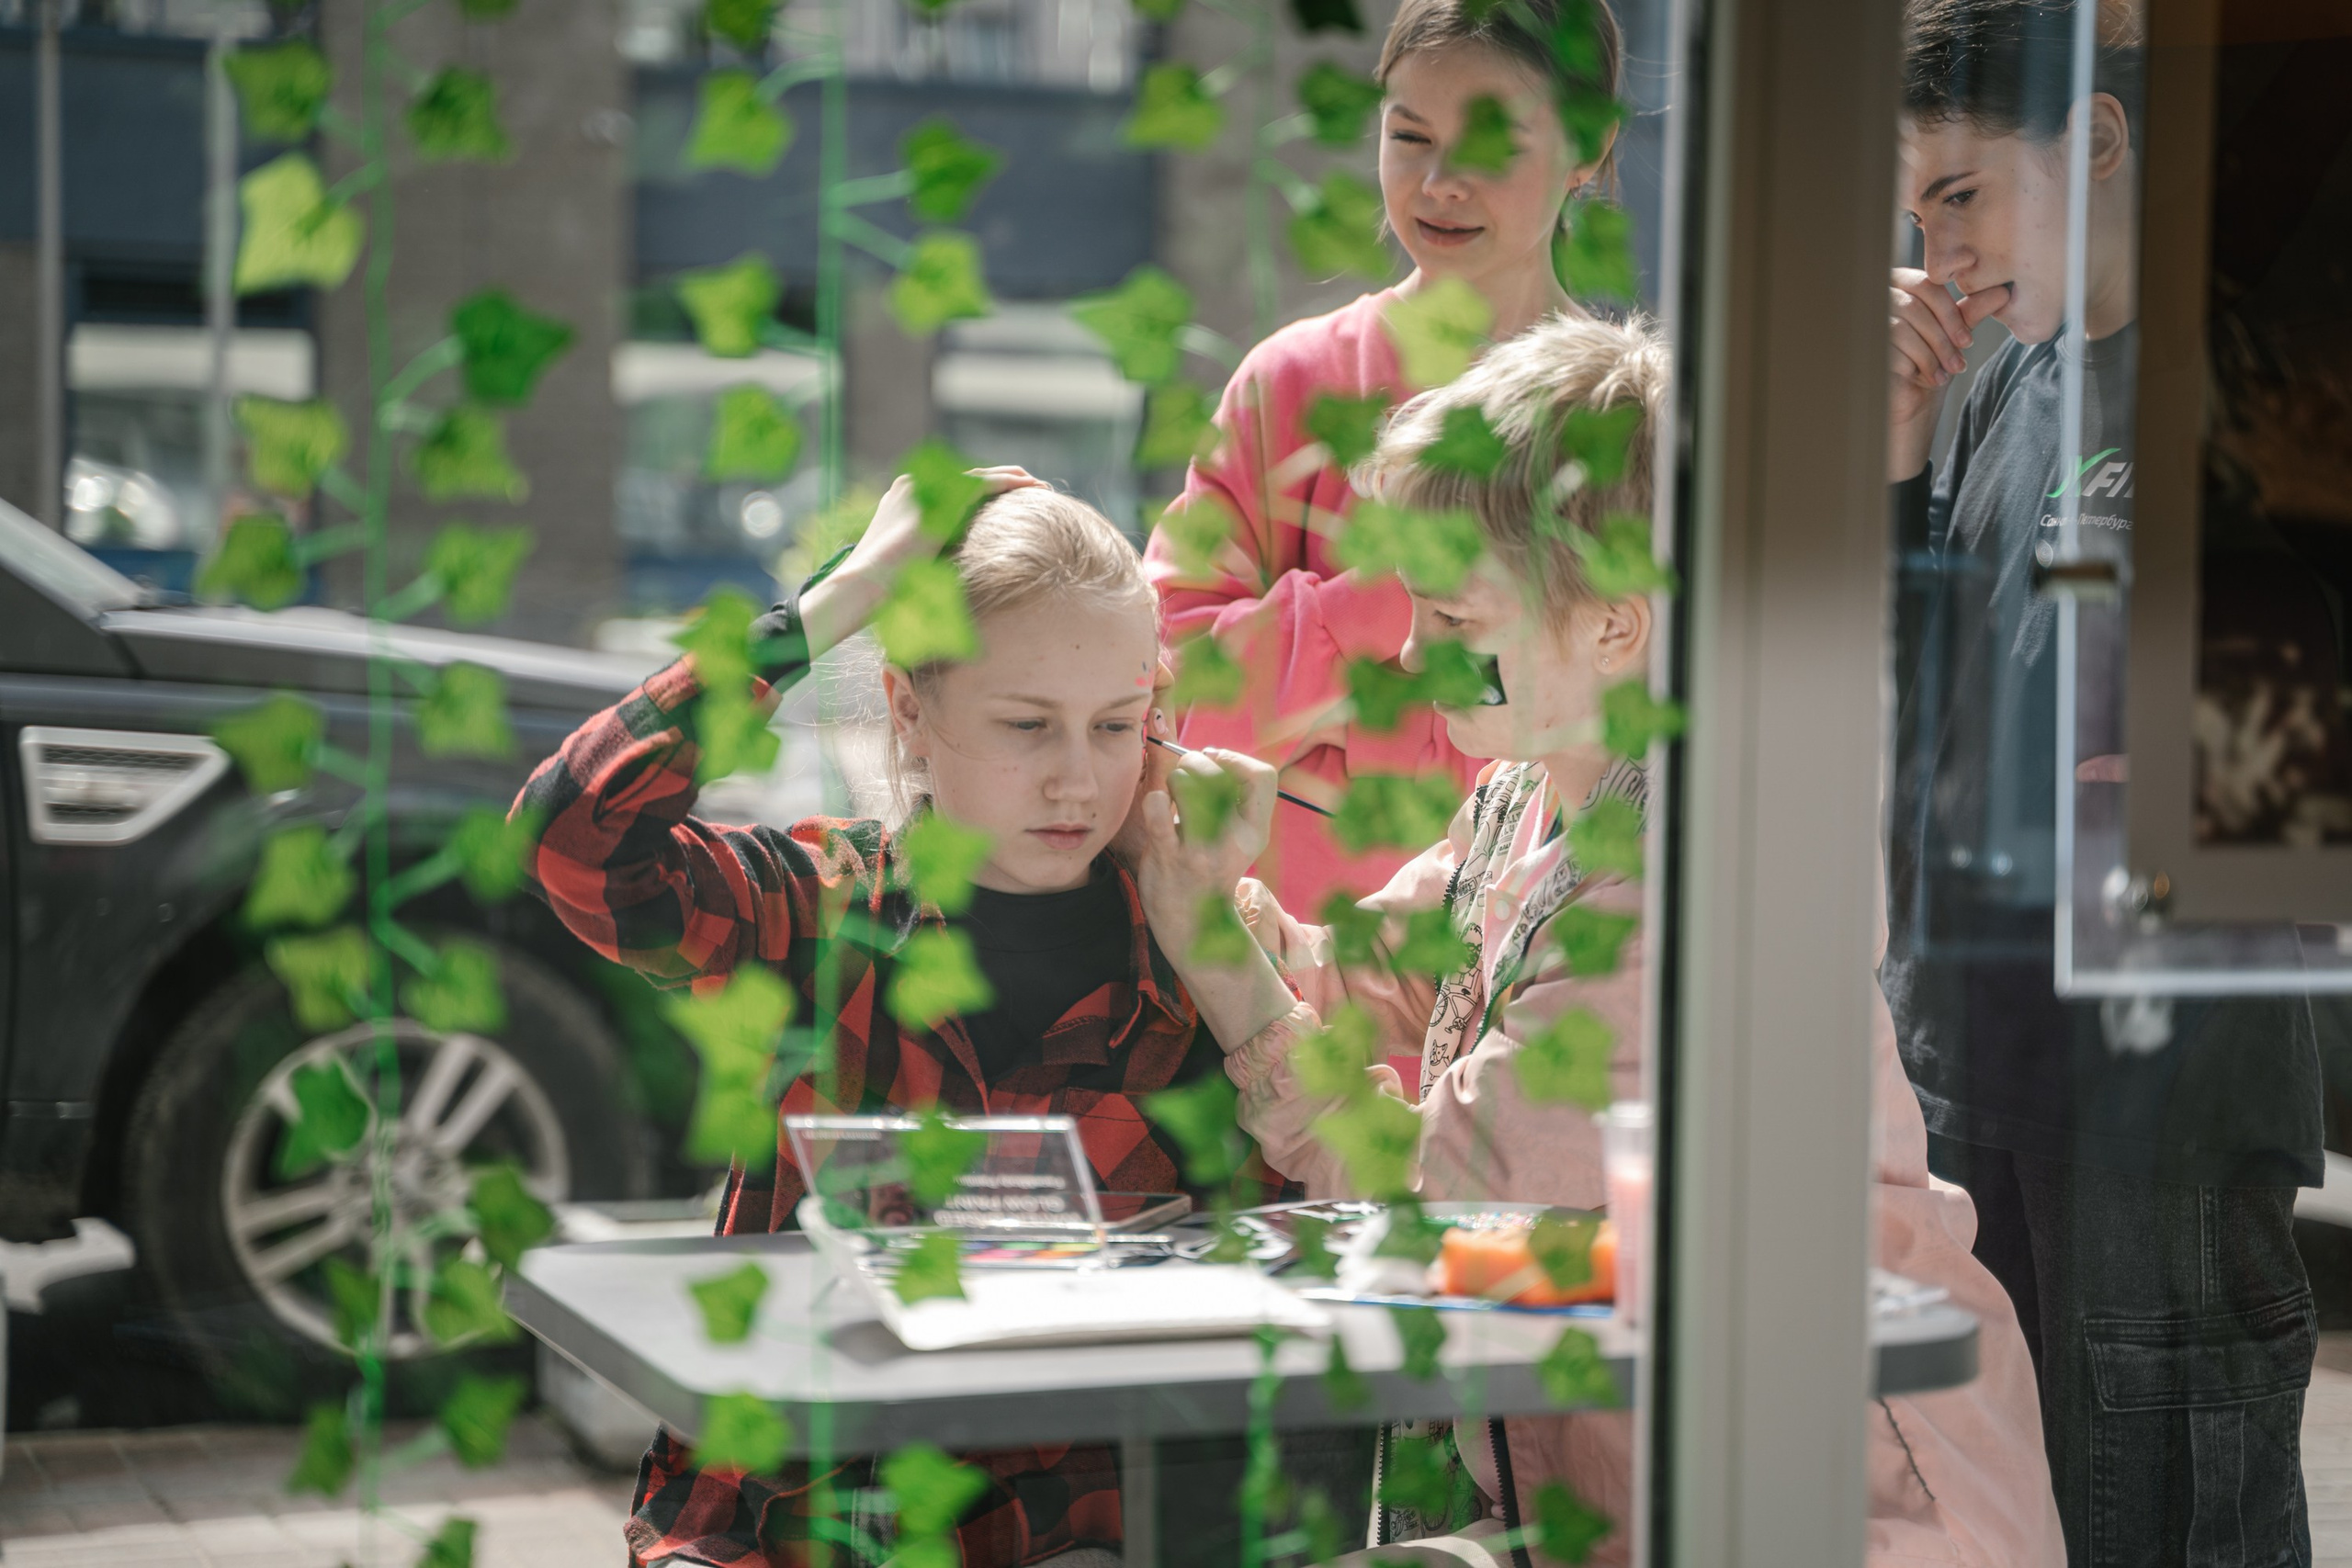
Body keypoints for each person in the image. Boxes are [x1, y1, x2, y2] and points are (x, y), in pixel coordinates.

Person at [1137, 312, 2065, 1566]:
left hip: (1838, 1502)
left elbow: (1429, 1205)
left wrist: (1223, 961)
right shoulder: (1532, 792)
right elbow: (1382, 970)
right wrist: (1246, 902)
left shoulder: (1683, 889)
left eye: (1454, 619)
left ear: (1616, 626)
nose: (1410, 650)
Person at [512, 471, 1267, 1568]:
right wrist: (848, 592)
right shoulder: (811, 911)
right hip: (781, 1525)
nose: (1075, 779)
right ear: (910, 711)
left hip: (1062, 1533)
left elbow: (1287, 1269)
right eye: (1027, 725)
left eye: (1116, 725)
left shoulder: (1199, 953)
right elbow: (571, 839)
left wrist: (1229, 946)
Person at [1883, 0, 2324, 1560]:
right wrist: (1892, 459)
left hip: (2160, 1103)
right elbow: (1903, 721)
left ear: (2104, 142)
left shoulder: (2246, 384)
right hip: (1967, 1067)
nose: (1938, 256)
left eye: (1962, 196)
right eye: (1915, 209)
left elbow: (2283, 802)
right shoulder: (2000, 379)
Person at [1144, 0, 1624, 922]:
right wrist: (1391, 599)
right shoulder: (1287, 384)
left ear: (1588, 149)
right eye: (1409, 136)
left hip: (1544, 970)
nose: (1439, 182)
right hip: (1288, 978)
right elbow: (1162, 692)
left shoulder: (1622, 423)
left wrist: (1311, 715)